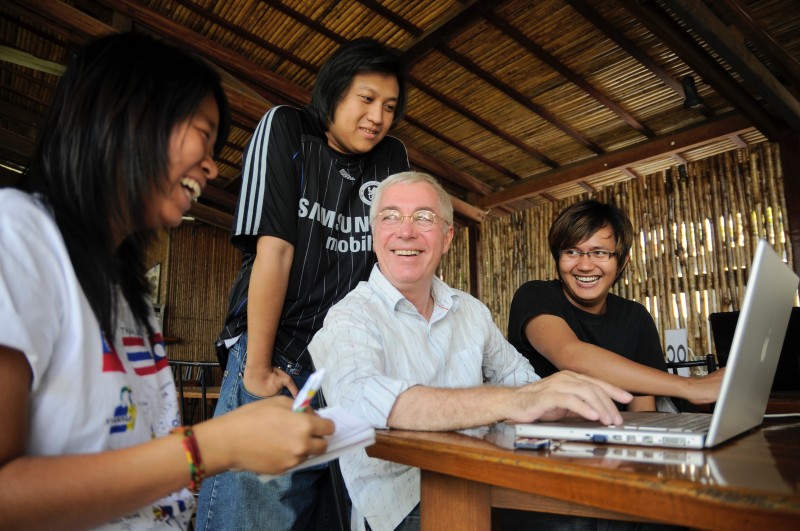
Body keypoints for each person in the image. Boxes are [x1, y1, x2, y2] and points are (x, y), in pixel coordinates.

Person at [0, 32, 334, 530]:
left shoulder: (121, 288)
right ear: (128, 116)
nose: (213, 166)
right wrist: (214, 446)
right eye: (203, 133)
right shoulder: (16, 234)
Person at [308, 172, 634, 531]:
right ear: (375, 235)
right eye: (390, 216)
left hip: (487, 477)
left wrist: (569, 403)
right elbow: (361, 400)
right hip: (406, 504)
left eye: (423, 217)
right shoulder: (348, 317)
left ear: (446, 237)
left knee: (615, 515)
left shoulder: (470, 311)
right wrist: (513, 401)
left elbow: (524, 381)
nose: (406, 231)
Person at [196, 38, 410, 530]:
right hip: (279, 351)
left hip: (346, 364)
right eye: (366, 98)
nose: (378, 117)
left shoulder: (391, 158)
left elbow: (394, 265)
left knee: (328, 512)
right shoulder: (288, 128)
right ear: (333, 92)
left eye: (390, 107)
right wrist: (256, 368)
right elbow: (277, 249)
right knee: (254, 507)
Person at [508, 199, 723, 411]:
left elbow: (643, 409)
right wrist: (692, 387)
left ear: (622, 262)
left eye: (600, 252)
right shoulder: (535, 295)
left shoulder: (635, 316)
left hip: (614, 438)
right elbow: (570, 355)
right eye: (571, 252)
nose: (584, 265)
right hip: (542, 441)